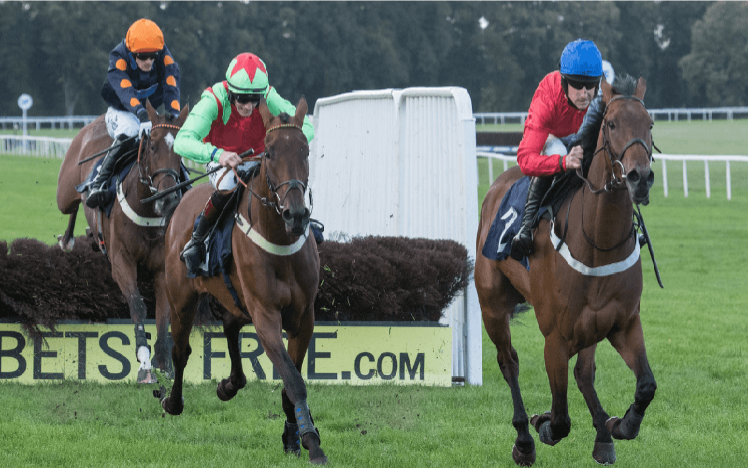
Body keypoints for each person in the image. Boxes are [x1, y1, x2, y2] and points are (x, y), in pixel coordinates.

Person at [174, 53, 315, 271]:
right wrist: (218, 154)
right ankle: (198, 238)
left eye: (254, 100)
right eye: (241, 99)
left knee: (287, 178)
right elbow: (181, 141)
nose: (248, 106)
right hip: (223, 161)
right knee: (229, 185)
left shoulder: (268, 95)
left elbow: (306, 127)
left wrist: (282, 140)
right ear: (230, 91)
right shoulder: (214, 100)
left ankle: (299, 220)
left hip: (262, 158)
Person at [510, 38, 603, 261]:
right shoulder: (547, 98)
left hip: (580, 135)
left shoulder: (599, 97)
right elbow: (525, 160)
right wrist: (562, 163)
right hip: (552, 136)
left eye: (590, 86)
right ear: (563, 82)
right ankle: (526, 228)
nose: (584, 93)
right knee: (560, 151)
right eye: (577, 85)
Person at [87, 18, 181, 209]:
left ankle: (181, 185)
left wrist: (173, 116)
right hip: (121, 110)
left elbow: (171, 85)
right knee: (131, 130)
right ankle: (99, 183)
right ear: (131, 53)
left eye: (152, 56)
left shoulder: (164, 56)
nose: (148, 62)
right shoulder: (118, 56)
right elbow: (125, 91)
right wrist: (141, 114)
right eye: (142, 57)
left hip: (150, 112)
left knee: (168, 140)